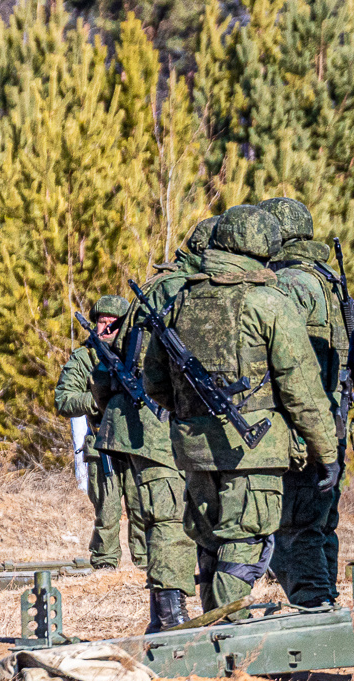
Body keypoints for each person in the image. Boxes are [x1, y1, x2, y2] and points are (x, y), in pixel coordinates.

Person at [142, 205, 338, 620]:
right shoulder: (269, 302)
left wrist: (193, 415)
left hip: (193, 446)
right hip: (254, 449)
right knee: (243, 544)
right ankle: (225, 636)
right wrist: (328, 452)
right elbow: (302, 390)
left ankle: (215, 634)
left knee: (212, 541)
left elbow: (155, 383)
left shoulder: (182, 299)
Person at [258, 197, 349, 609]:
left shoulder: (291, 283)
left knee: (296, 526)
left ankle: (312, 607)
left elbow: (281, 355)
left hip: (304, 422)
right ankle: (322, 601)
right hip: (326, 416)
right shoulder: (321, 278)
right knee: (317, 524)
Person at [54, 296, 136, 570]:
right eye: (102, 322)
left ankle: (147, 570)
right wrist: (99, 398)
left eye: (115, 323)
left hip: (139, 442)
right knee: (108, 510)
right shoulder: (85, 357)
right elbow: (63, 400)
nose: (108, 328)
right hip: (102, 443)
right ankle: (105, 567)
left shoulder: (138, 352)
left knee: (144, 509)